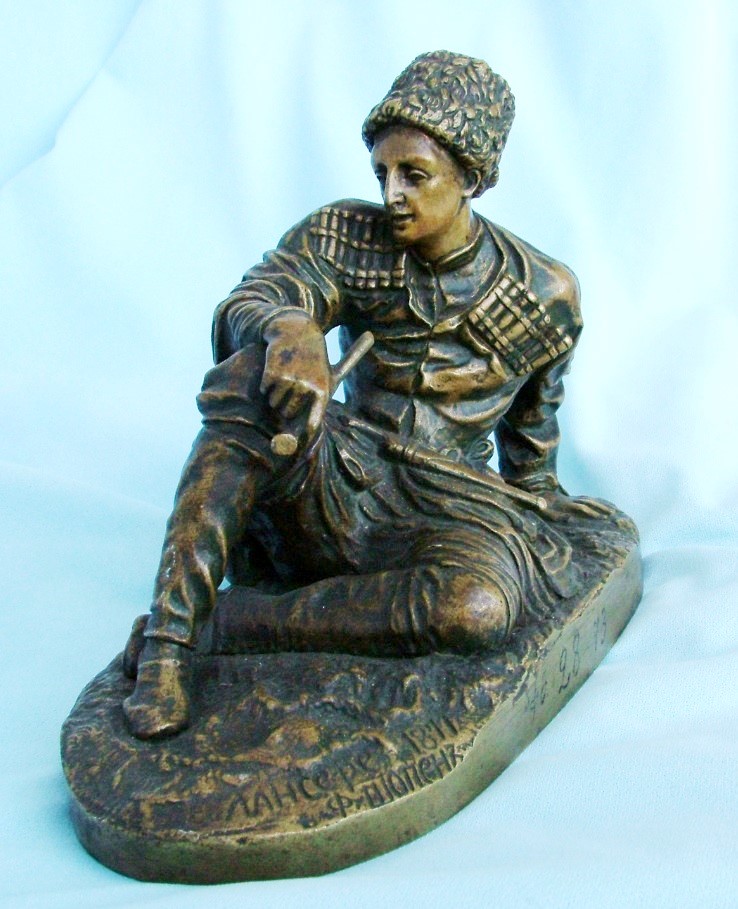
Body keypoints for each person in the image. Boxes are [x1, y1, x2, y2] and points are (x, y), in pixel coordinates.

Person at [122, 50, 626, 740]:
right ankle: (169, 640)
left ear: (472, 178)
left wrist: (546, 499)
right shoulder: (347, 237)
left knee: (476, 608)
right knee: (247, 378)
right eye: (382, 173)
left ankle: (237, 623)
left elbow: (533, 427)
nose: (393, 193)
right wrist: (289, 326)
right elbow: (260, 293)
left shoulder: (543, 293)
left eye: (415, 175)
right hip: (340, 476)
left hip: (449, 503)